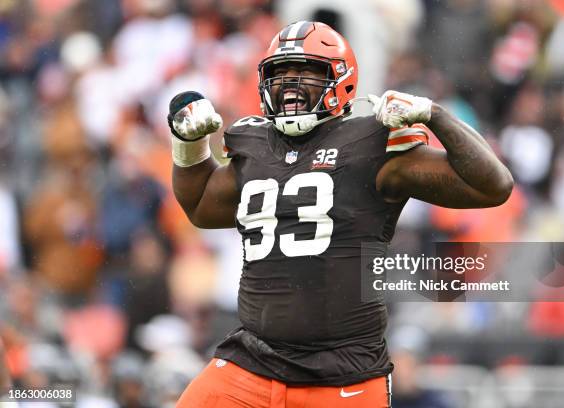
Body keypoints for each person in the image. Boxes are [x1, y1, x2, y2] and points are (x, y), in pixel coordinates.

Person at [168, 21, 513, 408]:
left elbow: (493, 186)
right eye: (280, 73)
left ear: (341, 80)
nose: (290, 83)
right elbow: (200, 207)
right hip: (250, 364)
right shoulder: (253, 143)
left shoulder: (370, 143)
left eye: (306, 72)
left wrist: (435, 115)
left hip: (342, 375)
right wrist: (189, 144)